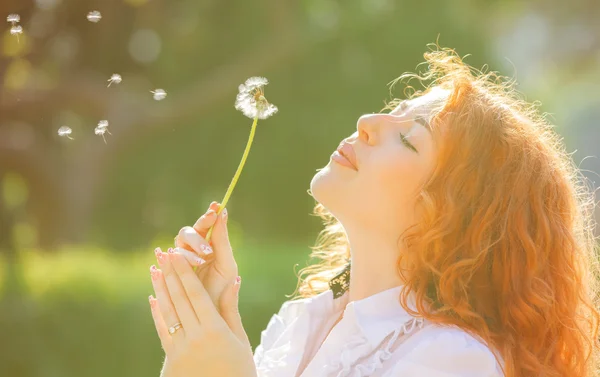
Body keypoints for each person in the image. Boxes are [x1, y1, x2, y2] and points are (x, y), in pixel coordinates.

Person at [148, 47, 600, 377]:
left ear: (452, 214)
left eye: (408, 138)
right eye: (393, 111)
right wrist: (201, 333)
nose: (368, 122)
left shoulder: (455, 360)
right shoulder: (301, 321)